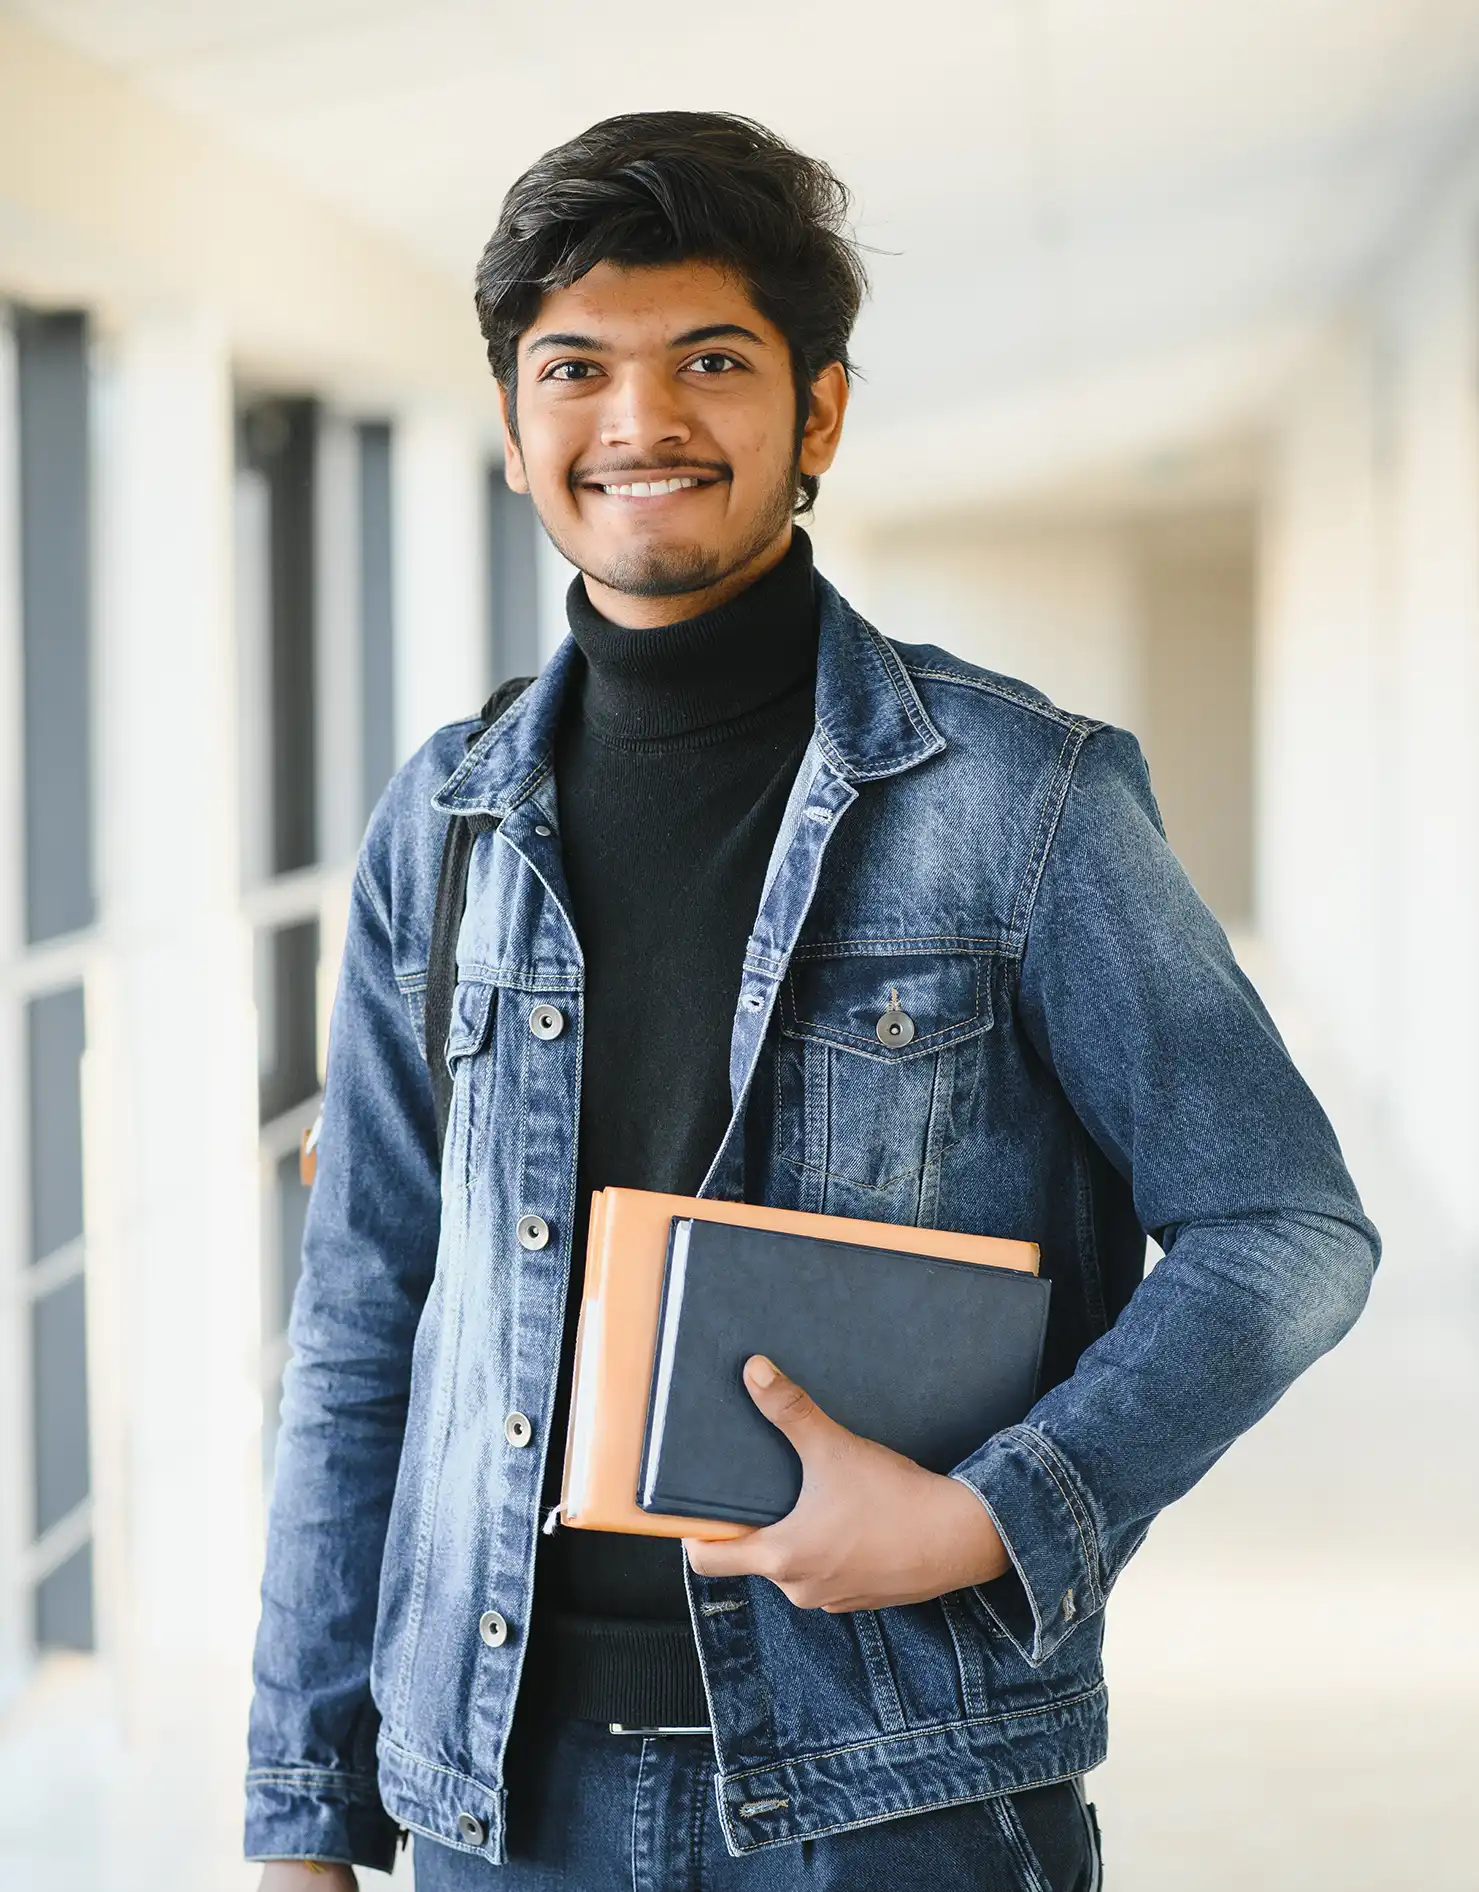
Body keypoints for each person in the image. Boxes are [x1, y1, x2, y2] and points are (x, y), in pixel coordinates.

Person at [246, 111, 1377, 1891]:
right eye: (576, 369)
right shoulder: (443, 817)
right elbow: (363, 1316)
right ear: (516, 423)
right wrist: (304, 1807)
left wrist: (986, 1516)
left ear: (817, 413)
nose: (640, 423)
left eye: (710, 360)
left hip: (891, 1797)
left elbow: (1284, 1224)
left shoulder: (1022, 798)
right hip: (496, 1798)